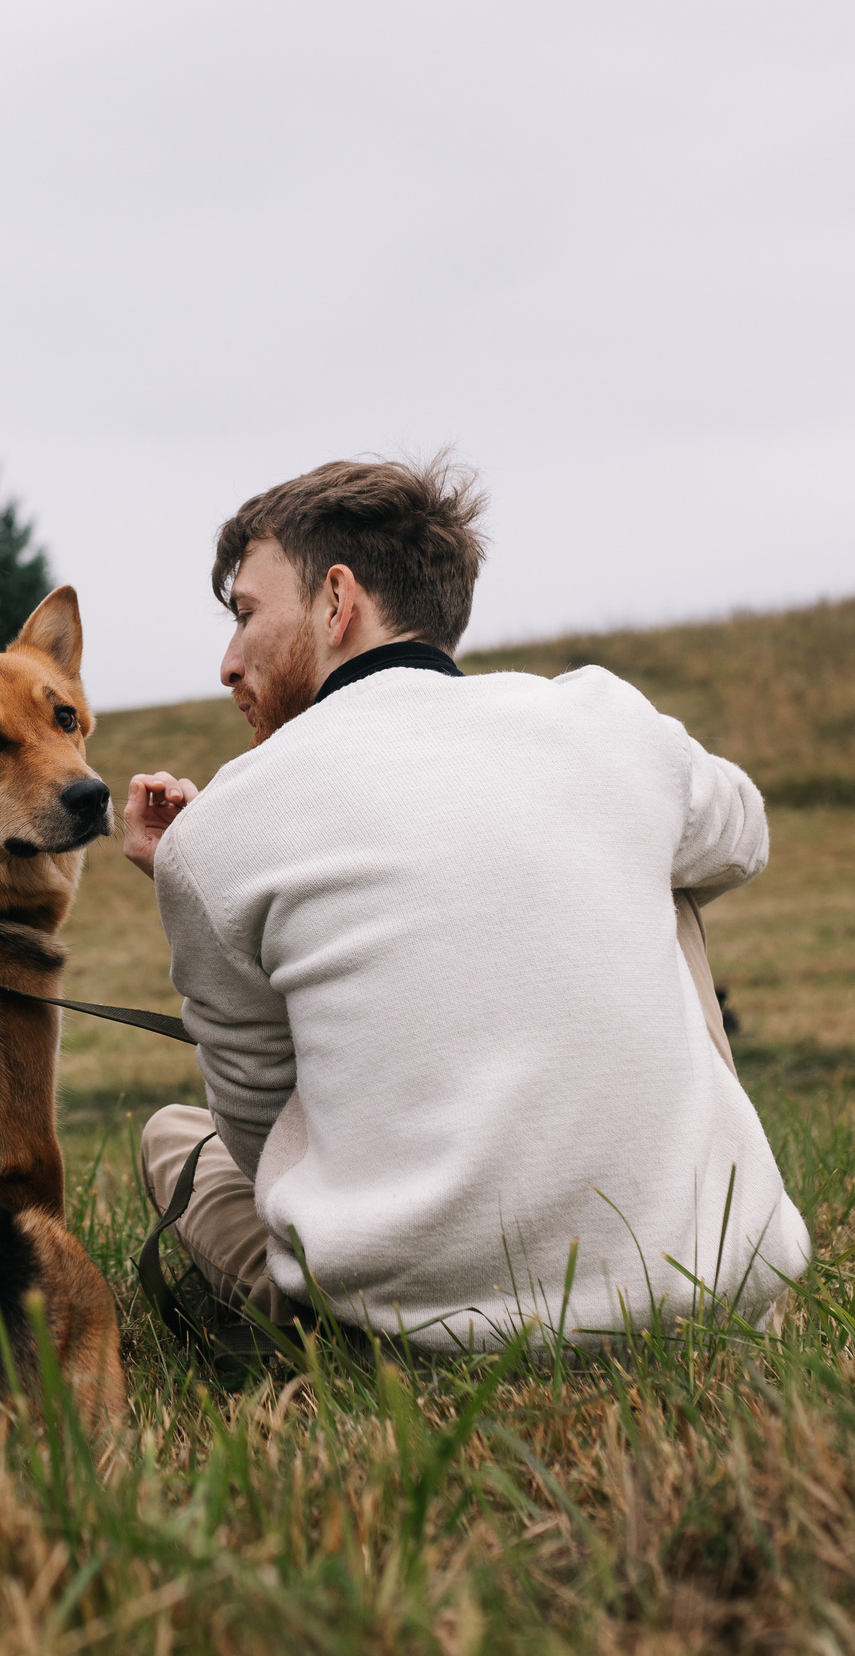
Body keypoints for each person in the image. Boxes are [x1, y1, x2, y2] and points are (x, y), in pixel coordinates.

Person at [124, 458, 809, 1353]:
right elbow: (742, 830)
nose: (227, 662)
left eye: (246, 613)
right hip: (703, 1298)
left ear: (338, 602)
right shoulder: (606, 721)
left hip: (410, 1338)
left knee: (177, 1136)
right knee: (669, 861)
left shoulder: (221, 827)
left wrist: (201, 877)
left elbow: (259, 1144)